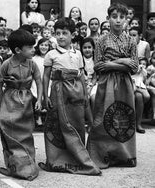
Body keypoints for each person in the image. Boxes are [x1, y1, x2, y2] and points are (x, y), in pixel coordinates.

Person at [38, 17, 101, 175]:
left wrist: (85, 95)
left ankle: (76, 158)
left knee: (77, 123)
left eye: (64, 33)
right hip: (58, 91)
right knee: (56, 125)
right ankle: (55, 160)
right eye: (57, 33)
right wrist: (45, 96)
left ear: (72, 35)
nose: (60, 36)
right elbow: (45, 77)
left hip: (76, 92)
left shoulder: (78, 54)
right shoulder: (51, 54)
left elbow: (81, 76)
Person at [87, 3, 138, 169]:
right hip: (106, 82)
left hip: (124, 84)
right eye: (114, 17)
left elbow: (135, 66)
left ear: (126, 19)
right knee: (104, 116)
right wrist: (122, 61)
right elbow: (98, 66)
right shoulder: (101, 40)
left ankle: (124, 155)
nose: (118, 20)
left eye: (122, 17)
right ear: (108, 18)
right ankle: (102, 153)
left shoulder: (131, 40)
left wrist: (111, 63)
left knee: (123, 117)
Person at [0, 29, 42, 180]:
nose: (33, 50)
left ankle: (28, 164)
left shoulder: (32, 64)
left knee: (26, 133)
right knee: (9, 133)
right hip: (9, 101)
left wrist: (39, 99)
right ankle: (13, 167)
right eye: (30, 47)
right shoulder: (6, 64)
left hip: (26, 100)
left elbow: (39, 81)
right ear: (17, 50)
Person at [31, 38, 50, 126]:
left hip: (48, 81)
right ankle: (38, 116)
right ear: (38, 46)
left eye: (46, 45)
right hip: (36, 81)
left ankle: (48, 117)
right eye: (42, 45)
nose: (44, 47)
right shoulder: (34, 59)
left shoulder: (50, 57)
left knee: (49, 94)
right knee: (36, 94)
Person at [132, 57, 150, 134]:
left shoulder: (144, 72)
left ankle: (137, 123)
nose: (141, 65)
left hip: (140, 87)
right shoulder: (134, 69)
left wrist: (143, 72)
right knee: (139, 97)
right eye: (140, 63)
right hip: (133, 85)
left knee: (145, 96)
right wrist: (137, 70)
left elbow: (145, 81)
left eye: (144, 64)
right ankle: (138, 124)